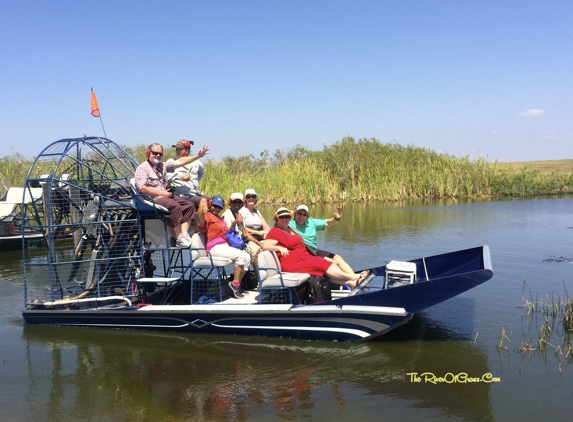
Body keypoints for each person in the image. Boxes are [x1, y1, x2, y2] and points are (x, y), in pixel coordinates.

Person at [263, 207, 369, 289]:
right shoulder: (276, 231)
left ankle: (351, 283)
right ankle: (354, 277)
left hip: (303, 257)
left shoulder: (289, 229)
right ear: (276, 219)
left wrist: (337, 218)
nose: (285, 219)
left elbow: (327, 222)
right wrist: (278, 248)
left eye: (287, 217)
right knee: (321, 263)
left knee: (324, 263)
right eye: (281, 217)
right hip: (292, 262)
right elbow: (265, 245)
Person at [135, 142, 209, 248]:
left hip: (165, 196)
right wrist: (162, 193)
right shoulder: (142, 168)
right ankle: (179, 238)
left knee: (188, 205)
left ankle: (184, 235)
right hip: (153, 199)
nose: (157, 156)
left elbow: (180, 162)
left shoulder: (163, 165)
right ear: (148, 152)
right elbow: (142, 188)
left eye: (160, 154)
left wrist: (198, 156)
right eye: (155, 153)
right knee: (175, 206)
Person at [197, 195, 251, 299]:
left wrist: (234, 223)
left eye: (219, 207)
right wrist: (201, 211)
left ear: (222, 208)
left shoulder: (220, 219)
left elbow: (226, 233)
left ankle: (236, 284)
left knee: (247, 257)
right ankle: (235, 285)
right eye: (214, 206)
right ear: (210, 205)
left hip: (224, 245)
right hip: (214, 247)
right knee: (240, 256)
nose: (216, 209)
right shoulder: (207, 215)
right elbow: (201, 223)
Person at [289, 204, 354, 274]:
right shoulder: (290, 225)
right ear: (295, 213)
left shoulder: (311, 222)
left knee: (337, 258)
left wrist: (336, 218)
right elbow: (279, 225)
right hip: (306, 252)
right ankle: (348, 279)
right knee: (332, 262)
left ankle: (356, 278)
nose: (301, 217)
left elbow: (327, 223)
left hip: (315, 250)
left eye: (304, 214)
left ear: (307, 216)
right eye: (299, 213)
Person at [166, 139, 210, 213]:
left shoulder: (197, 163)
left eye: (179, 149)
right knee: (203, 201)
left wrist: (194, 182)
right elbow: (165, 176)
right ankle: (201, 224)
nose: (176, 151)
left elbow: (201, 172)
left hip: (195, 193)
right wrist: (180, 176)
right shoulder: (171, 162)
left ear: (187, 150)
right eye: (176, 149)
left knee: (215, 202)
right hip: (182, 195)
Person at [222, 192, 264, 269]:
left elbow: (245, 233)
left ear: (243, 204)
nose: (237, 204)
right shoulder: (228, 213)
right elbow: (227, 233)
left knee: (264, 248)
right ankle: (258, 278)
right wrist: (235, 222)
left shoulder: (239, 214)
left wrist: (259, 243)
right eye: (235, 202)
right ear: (230, 203)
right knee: (257, 252)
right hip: (233, 243)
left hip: (242, 241)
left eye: (239, 202)